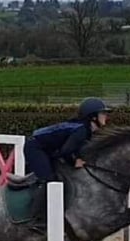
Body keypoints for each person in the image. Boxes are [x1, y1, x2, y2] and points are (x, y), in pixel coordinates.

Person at [23, 97, 112, 232]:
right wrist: (74, 161)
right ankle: (37, 220)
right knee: (50, 180)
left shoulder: (86, 130)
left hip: (47, 148)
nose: (106, 117)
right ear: (93, 117)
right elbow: (66, 151)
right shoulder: (82, 130)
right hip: (35, 148)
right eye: (103, 114)